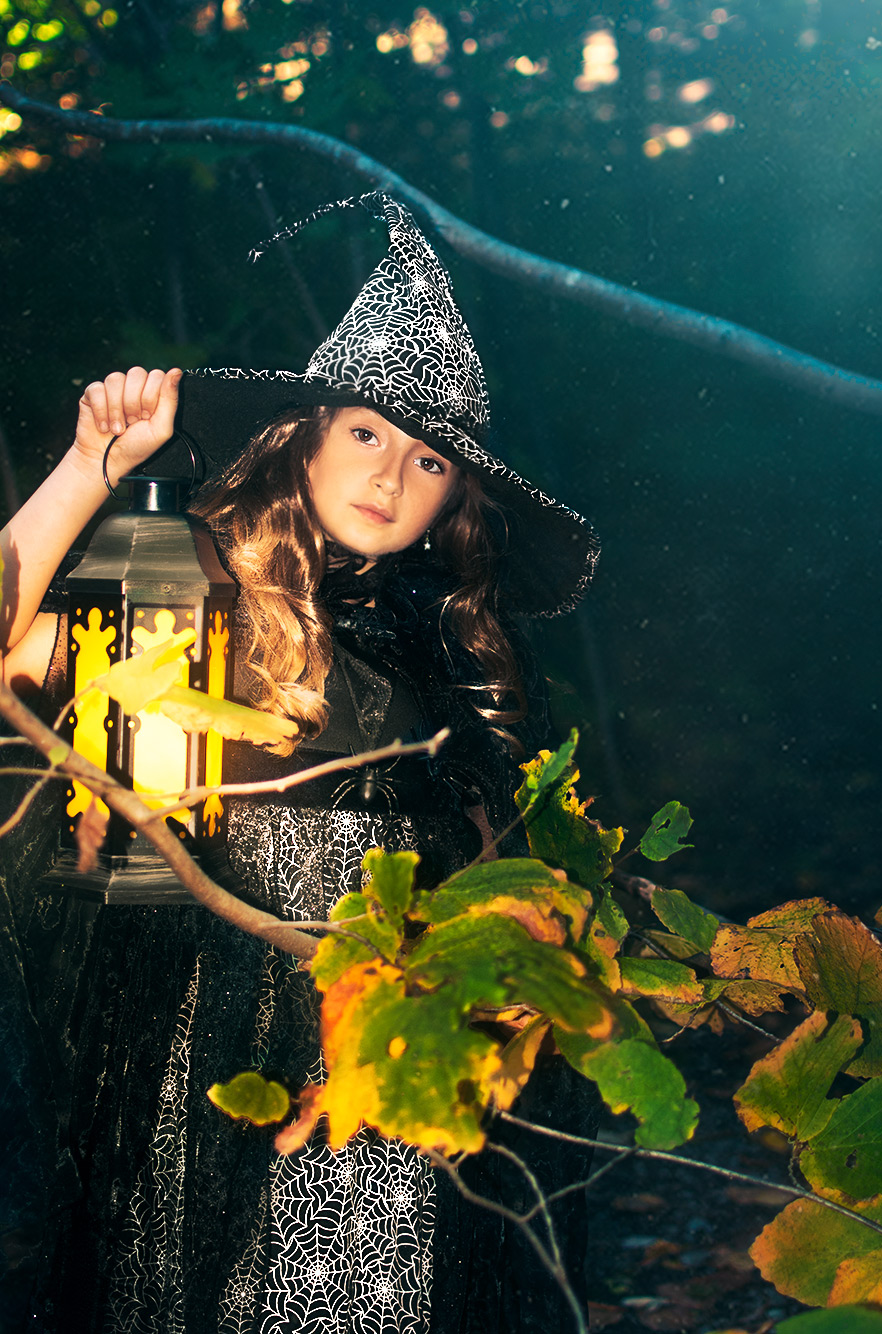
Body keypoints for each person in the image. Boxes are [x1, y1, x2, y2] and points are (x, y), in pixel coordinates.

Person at [0, 193, 599, 1334]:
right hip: (205, 1020)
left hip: (377, 1025)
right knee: (205, 1292)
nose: (390, 475)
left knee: (363, 1296)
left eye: (429, 461)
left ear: (456, 504)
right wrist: (88, 471)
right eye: (367, 433)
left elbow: (488, 863)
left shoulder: (448, 652)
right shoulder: (179, 578)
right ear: (305, 433)